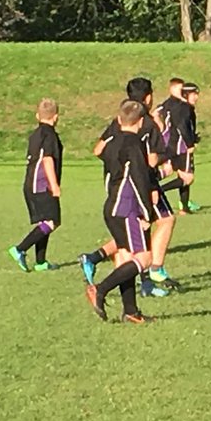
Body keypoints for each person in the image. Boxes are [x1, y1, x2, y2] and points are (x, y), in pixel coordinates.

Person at [80, 78, 175, 295]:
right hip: (141, 184)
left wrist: (116, 162)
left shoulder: (120, 119)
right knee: (161, 221)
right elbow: (150, 161)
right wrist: (165, 154)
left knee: (128, 239)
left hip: (116, 184)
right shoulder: (146, 122)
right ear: (149, 97)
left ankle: (130, 295)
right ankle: (154, 271)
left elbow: (97, 150)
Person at [85, 100, 157, 324]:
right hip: (126, 207)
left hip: (112, 205)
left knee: (125, 257)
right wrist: (147, 213)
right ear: (142, 121)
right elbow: (139, 179)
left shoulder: (111, 142)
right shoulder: (134, 144)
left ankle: (130, 311)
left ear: (118, 120)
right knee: (144, 258)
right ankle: (100, 289)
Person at [7, 97, 63, 272]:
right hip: (42, 185)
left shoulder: (35, 135)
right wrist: (54, 185)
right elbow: (47, 159)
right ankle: (20, 249)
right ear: (56, 117)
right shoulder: (50, 135)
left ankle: (40, 262)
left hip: (29, 185)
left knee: (44, 222)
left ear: (37, 116)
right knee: (52, 222)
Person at [158, 79, 201, 214]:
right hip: (181, 147)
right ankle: (157, 191)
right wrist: (190, 143)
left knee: (181, 175)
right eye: (194, 94)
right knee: (187, 178)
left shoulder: (176, 106)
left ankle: (184, 208)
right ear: (186, 95)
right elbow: (182, 126)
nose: (197, 97)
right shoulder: (184, 108)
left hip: (172, 146)